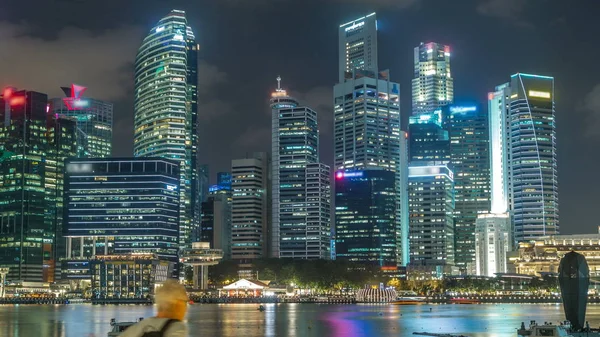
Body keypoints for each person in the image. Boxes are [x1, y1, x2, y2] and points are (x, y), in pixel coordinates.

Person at [120, 279, 188, 337]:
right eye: (184, 302)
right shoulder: (176, 327)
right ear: (176, 305)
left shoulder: (139, 327)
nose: (185, 308)